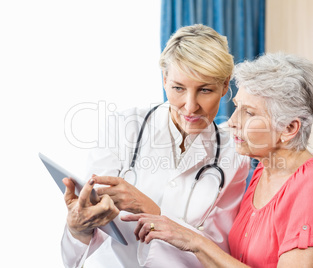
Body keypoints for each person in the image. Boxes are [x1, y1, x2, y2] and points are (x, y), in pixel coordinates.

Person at [122, 52, 313, 267]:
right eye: (237, 107)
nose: (232, 121)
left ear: (289, 128)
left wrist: (194, 240)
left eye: (250, 113)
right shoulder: (262, 172)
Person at [61, 24, 250, 268]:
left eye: (205, 90)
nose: (190, 106)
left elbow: (214, 255)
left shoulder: (233, 155)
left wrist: (150, 209)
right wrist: (78, 229)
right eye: (178, 88)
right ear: (164, 80)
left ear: (225, 86)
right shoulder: (123, 128)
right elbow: (80, 246)